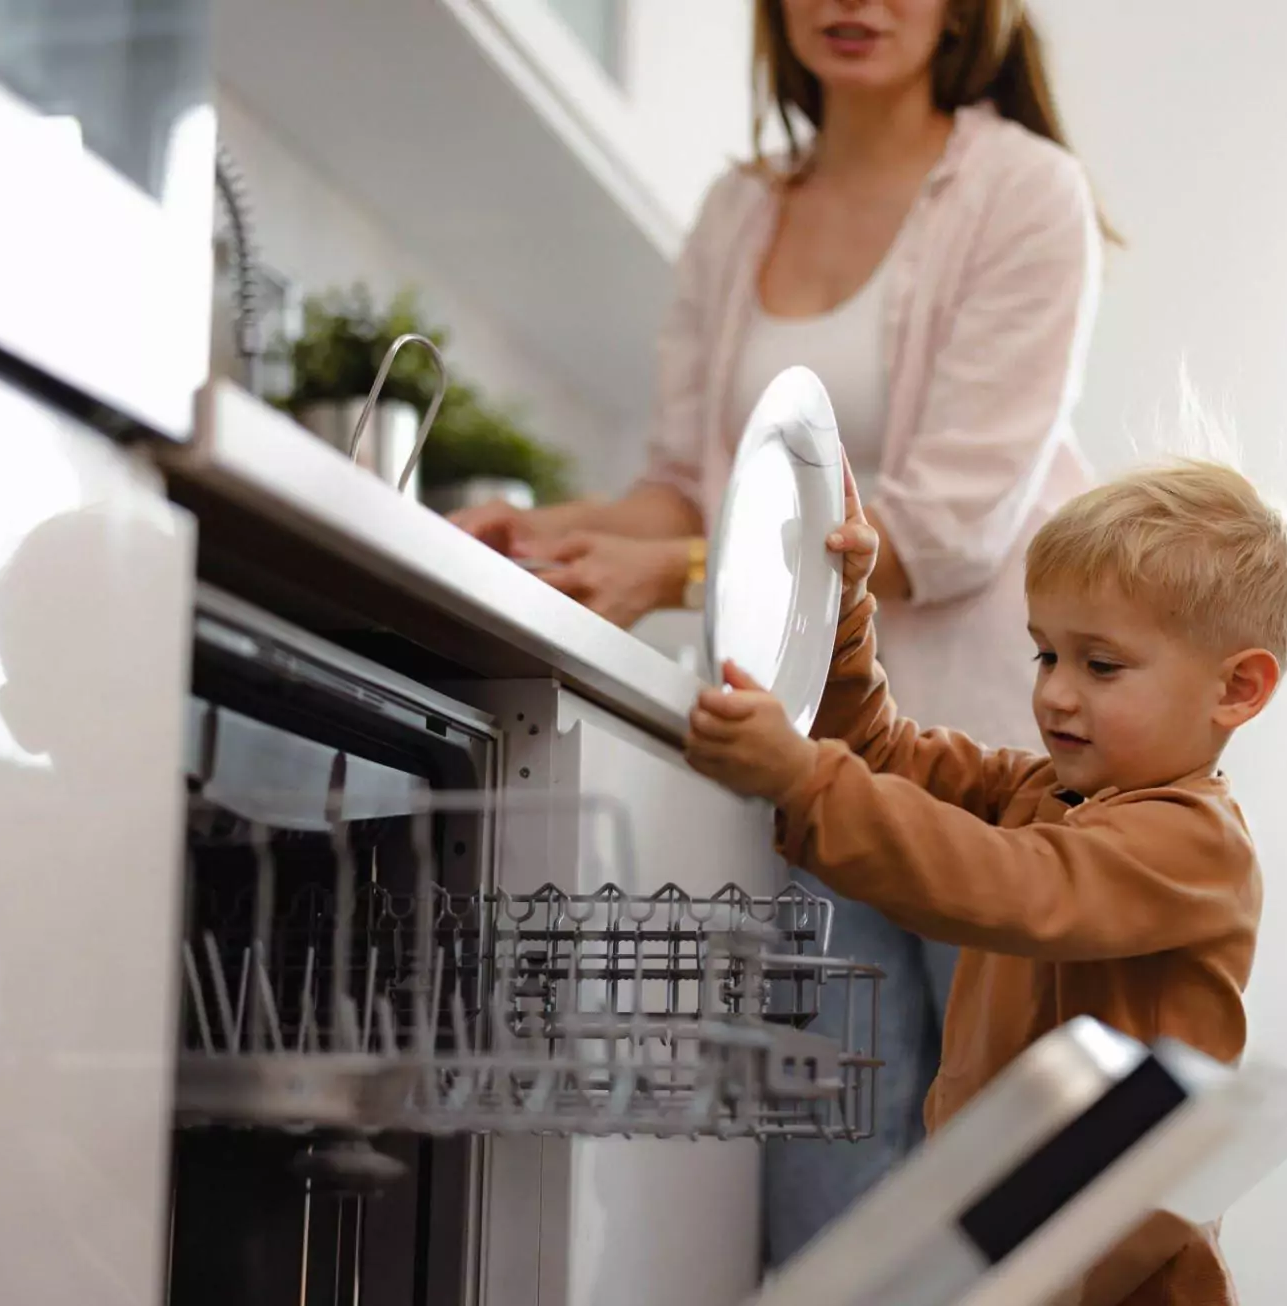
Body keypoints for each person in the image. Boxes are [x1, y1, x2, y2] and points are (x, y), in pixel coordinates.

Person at [450, 0, 1112, 1261]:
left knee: (1001, 1208)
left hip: (984, 771)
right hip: (804, 776)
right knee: (828, 1200)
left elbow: (956, 522)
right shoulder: (737, 211)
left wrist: (684, 565)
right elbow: (681, 485)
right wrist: (542, 534)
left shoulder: (1026, 191)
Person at [683, 459, 1287, 1305]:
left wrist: (804, 781)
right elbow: (884, 756)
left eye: (1101, 666)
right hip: (1019, 1252)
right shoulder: (1044, 794)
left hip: (1123, 1286)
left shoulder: (1197, 845)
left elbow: (1015, 885)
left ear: (1238, 689)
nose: (1054, 692)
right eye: (1046, 653)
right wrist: (842, 609)